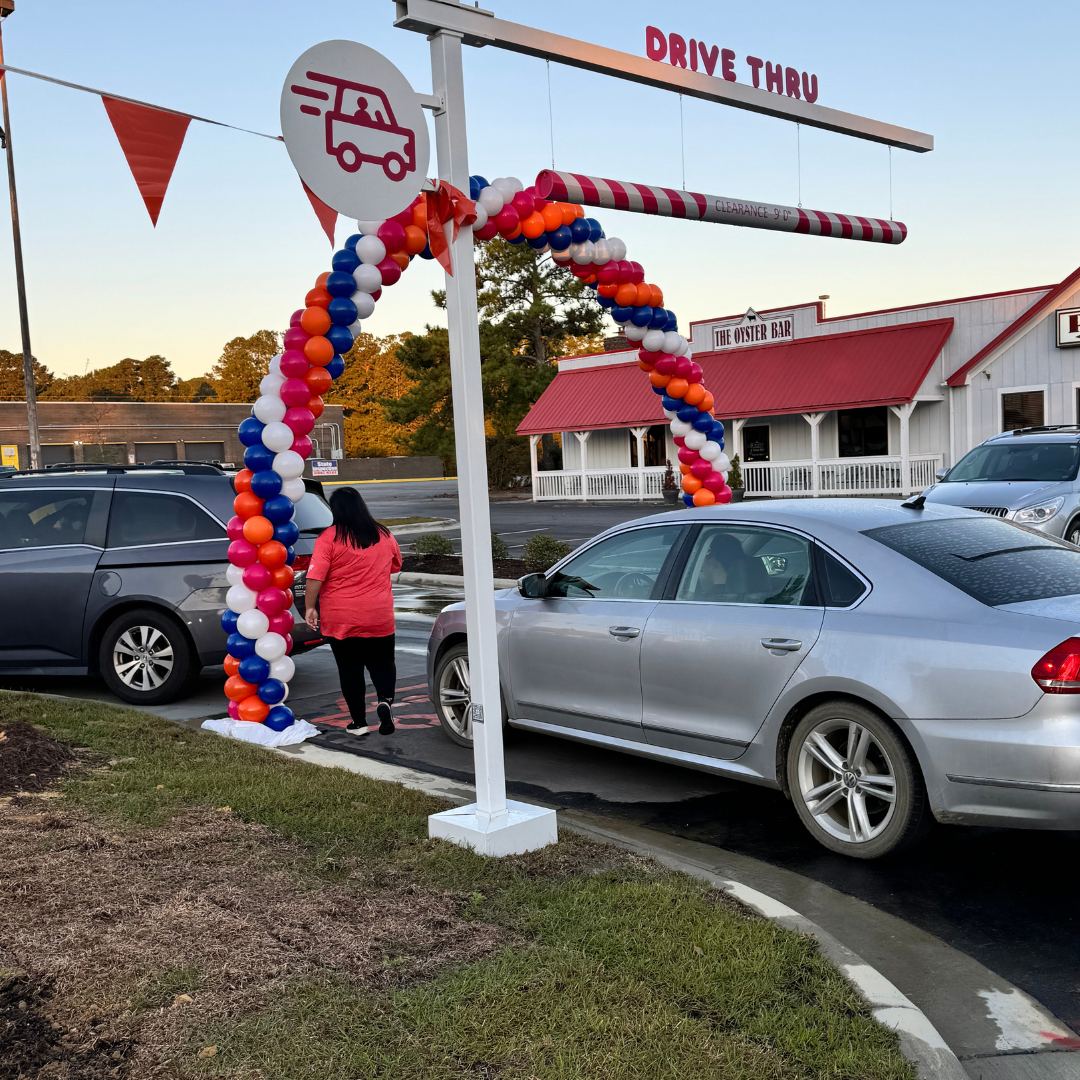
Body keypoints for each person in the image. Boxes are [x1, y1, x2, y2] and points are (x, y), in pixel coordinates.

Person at [304, 487, 402, 736]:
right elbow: (395, 565)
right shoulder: (383, 534)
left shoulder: (329, 538)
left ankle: (359, 722)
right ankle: (384, 702)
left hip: (341, 617)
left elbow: (315, 577)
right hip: (379, 615)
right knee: (383, 664)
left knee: (350, 670)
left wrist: (309, 607)